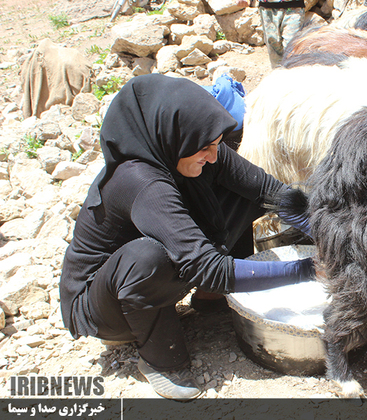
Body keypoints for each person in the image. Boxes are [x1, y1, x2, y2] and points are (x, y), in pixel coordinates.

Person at [59, 74, 314, 400]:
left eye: (215, 144)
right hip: (105, 306)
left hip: (155, 269)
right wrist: (307, 269)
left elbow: (270, 191)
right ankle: (161, 360)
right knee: (150, 258)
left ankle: (211, 298)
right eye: (204, 147)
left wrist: (331, 235)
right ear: (172, 138)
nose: (213, 154)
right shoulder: (141, 181)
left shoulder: (198, 151)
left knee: (245, 195)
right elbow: (205, 266)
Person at [258, 0, 306, 67]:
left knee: (291, 47)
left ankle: (292, 74)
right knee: (274, 49)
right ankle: (279, 74)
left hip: (294, 7)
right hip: (267, 8)